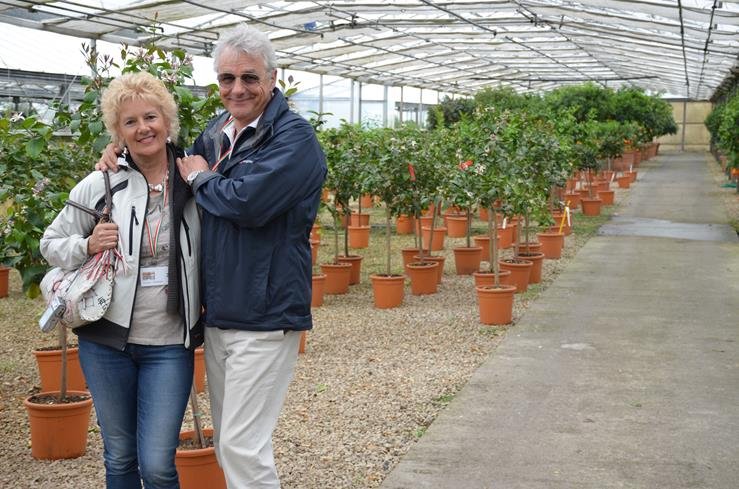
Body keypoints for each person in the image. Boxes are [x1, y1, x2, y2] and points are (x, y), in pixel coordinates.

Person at [99, 25, 327, 488]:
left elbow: (248, 203)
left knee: (242, 446)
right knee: (230, 443)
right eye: (227, 78)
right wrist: (122, 150)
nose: (237, 89)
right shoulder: (218, 132)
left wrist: (203, 179)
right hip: (221, 312)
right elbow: (171, 164)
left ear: (273, 78)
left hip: (264, 313)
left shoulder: (294, 140)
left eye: (249, 78)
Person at [42, 71, 203, 489]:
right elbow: (50, 243)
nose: (143, 128)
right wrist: (87, 244)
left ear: (167, 120)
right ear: (118, 132)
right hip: (105, 342)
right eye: (130, 122)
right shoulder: (101, 183)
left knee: (158, 465)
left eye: (150, 117)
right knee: (119, 456)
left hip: (169, 344)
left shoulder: (194, 180)